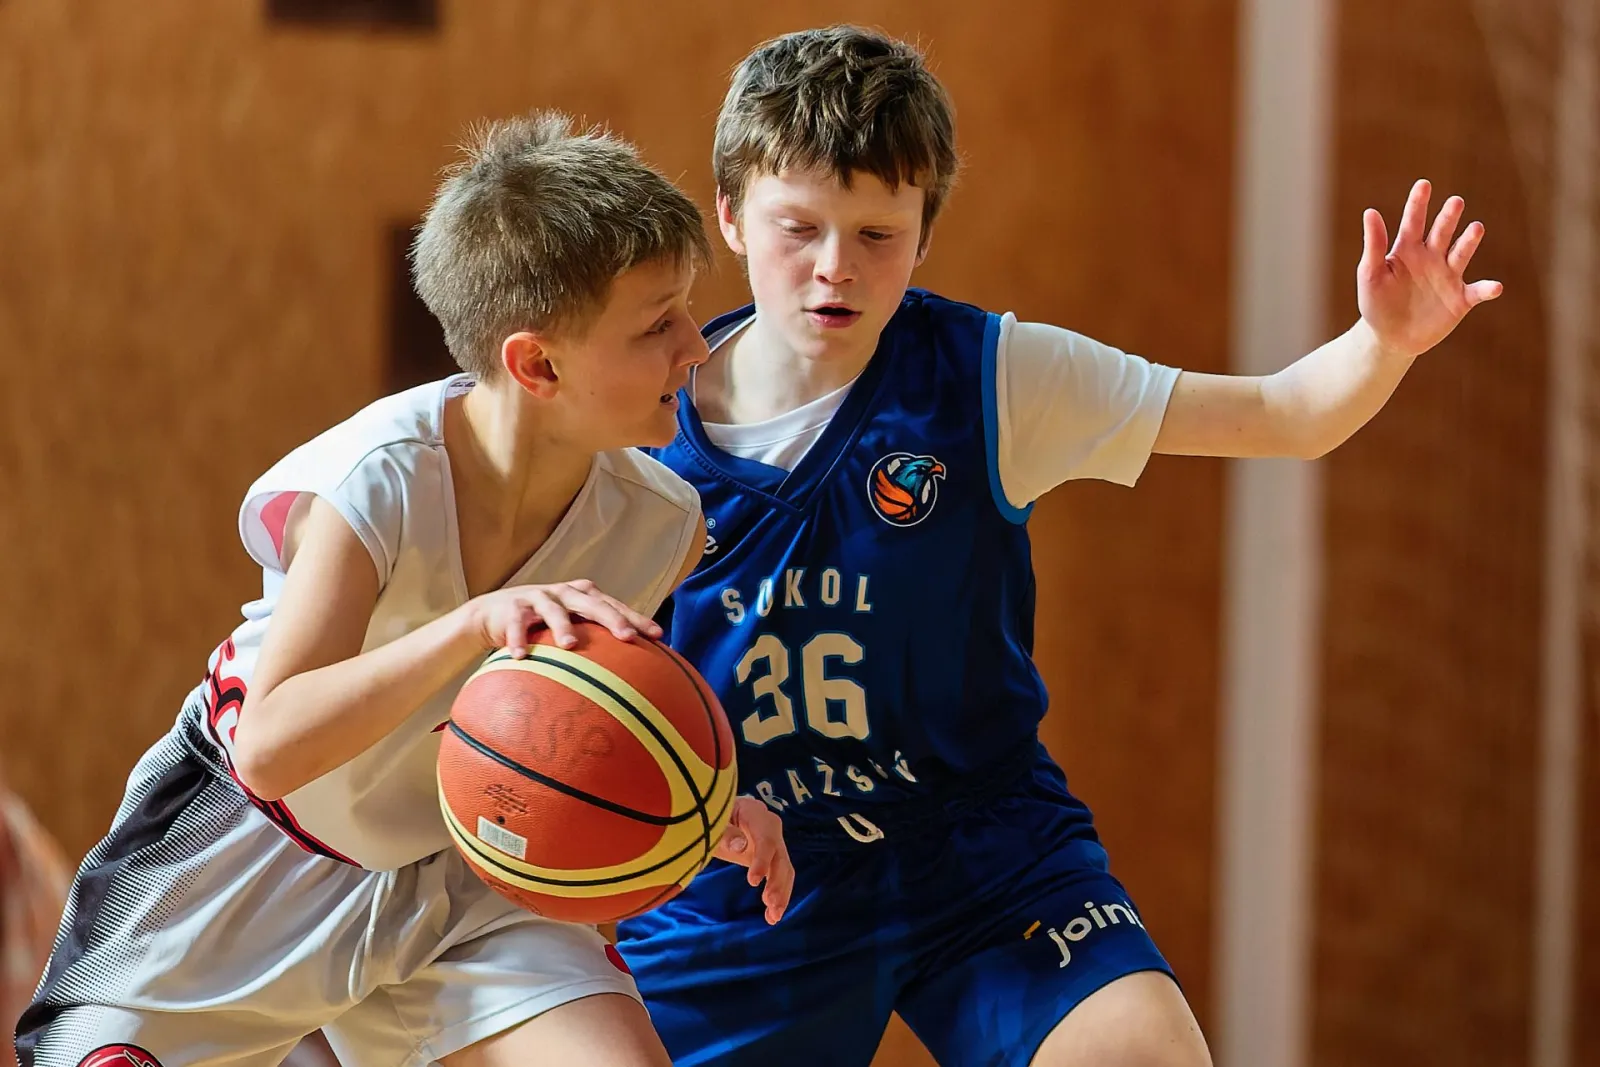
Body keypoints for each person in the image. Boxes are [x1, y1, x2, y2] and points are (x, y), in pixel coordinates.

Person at [615, 25, 1501, 1067]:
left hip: (978, 844)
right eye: (798, 228)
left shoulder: (991, 376)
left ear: (925, 233)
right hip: (745, 866)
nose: (834, 267)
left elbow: (1284, 414)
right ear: (729, 213)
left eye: (877, 233)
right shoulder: (638, 423)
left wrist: (1383, 342)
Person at [16, 112, 791, 1067]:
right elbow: (270, 748)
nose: (695, 346)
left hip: (462, 879)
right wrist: (473, 625)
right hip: (249, 856)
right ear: (536, 363)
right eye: (656, 323)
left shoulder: (660, 520)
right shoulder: (376, 479)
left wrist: (702, 806)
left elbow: (602, 721)